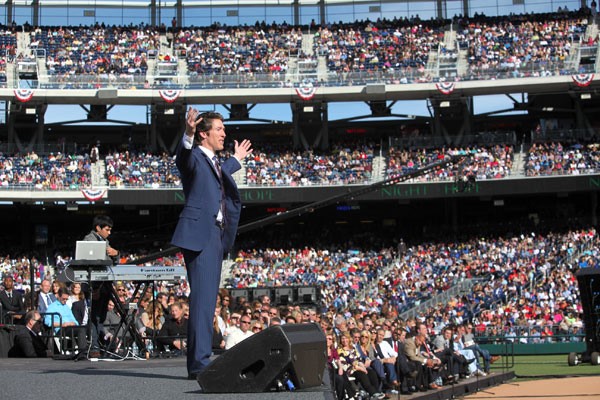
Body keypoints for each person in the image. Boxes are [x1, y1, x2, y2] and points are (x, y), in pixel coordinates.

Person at [171, 108, 252, 379]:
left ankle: (200, 361)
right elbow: (183, 158)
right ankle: (199, 364)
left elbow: (219, 175)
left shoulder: (215, 162)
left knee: (207, 302)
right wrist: (188, 134)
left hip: (215, 236)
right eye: (219, 129)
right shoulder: (193, 156)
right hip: (200, 235)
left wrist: (236, 159)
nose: (224, 133)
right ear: (204, 133)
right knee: (203, 302)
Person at [83, 215, 120, 357]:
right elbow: (92, 264)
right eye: (107, 229)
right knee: (95, 317)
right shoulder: (89, 240)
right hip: (95, 284)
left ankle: (101, 344)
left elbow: (113, 262)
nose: (109, 232)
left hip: (105, 284)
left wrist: (116, 253)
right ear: (98, 228)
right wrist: (95, 287)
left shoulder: (105, 241)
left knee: (102, 316)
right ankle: (94, 347)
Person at [44, 288, 88, 358]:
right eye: (63, 299)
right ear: (58, 296)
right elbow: (47, 322)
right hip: (61, 329)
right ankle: (82, 352)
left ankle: (84, 351)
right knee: (80, 330)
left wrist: (73, 323)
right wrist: (62, 324)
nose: (65, 301)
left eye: (66, 299)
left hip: (70, 327)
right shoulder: (52, 307)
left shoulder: (66, 307)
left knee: (83, 328)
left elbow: (74, 320)